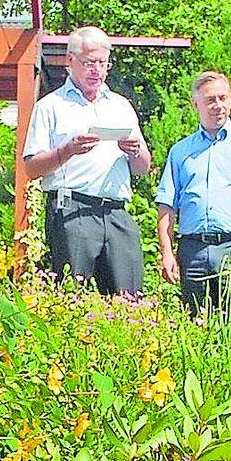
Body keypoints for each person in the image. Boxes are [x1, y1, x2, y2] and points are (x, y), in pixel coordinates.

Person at [21, 27, 152, 294]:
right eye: (89, 63)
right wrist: (67, 150)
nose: (97, 70)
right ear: (70, 61)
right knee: (71, 295)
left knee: (130, 297)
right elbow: (31, 168)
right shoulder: (50, 106)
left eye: (102, 63)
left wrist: (134, 151)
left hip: (116, 212)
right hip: (72, 209)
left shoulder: (121, 105)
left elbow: (143, 168)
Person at [154, 71, 231, 323]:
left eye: (223, 98)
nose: (218, 105)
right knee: (195, 325)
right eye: (210, 100)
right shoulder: (180, 151)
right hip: (192, 249)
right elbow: (167, 207)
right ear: (196, 105)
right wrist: (167, 253)